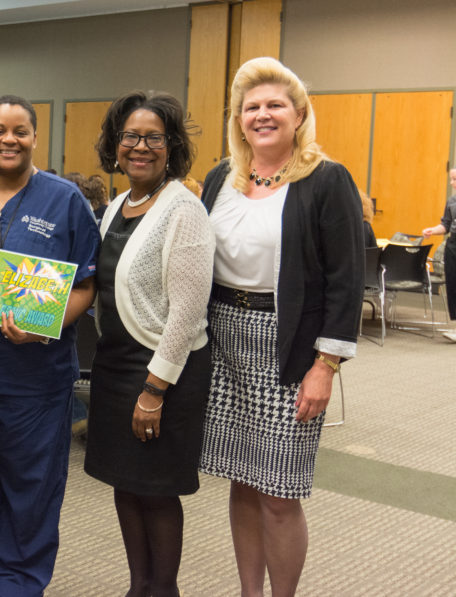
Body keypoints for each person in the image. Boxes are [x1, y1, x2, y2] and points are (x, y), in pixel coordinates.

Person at [198, 57, 363, 597]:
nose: (262, 115)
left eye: (274, 106)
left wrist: (326, 365)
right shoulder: (223, 176)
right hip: (222, 341)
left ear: (298, 115)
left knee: (279, 492)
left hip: (287, 347)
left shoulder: (325, 177)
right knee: (242, 482)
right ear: (239, 119)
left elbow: (345, 279)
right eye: (251, 107)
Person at [0, 95, 99, 597]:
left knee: (31, 493)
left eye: (20, 131)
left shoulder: (65, 200)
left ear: (34, 137)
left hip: (35, 381)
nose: (9, 139)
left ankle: (20, 584)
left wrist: (44, 325)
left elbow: (87, 285)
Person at [83, 91, 214, 597]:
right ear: (115, 145)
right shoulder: (118, 204)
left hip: (163, 370)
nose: (140, 146)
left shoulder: (184, 209)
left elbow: (186, 313)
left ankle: (163, 589)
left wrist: (154, 390)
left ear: (171, 146)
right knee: (125, 484)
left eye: (153, 137)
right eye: (130, 137)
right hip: (116, 365)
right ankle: (139, 587)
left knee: (156, 491)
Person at [421, 168, 456, 340]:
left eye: (454, 179)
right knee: (453, 286)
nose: (452, 183)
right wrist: (432, 231)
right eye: (451, 179)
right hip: (453, 246)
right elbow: (446, 226)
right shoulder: (451, 201)